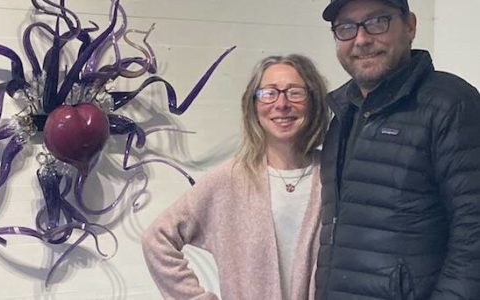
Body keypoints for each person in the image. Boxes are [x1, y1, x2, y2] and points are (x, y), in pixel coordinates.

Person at [316, 0, 480, 299]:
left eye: (377, 21)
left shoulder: (451, 104)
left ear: (411, 26)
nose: (362, 39)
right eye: (346, 28)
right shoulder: (342, 115)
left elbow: (474, 232)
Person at [141, 54, 330, 300]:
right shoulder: (230, 180)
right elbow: (157, 239)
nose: (281, 104)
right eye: (268, 93)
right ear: (253, 105)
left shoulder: (332, 175)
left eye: (295, 92)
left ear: (313, 102)